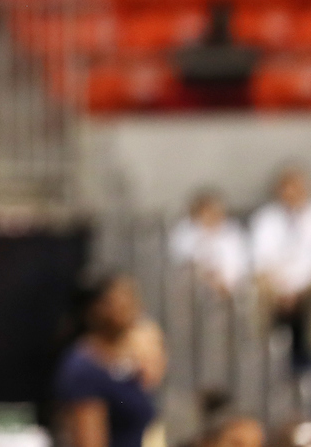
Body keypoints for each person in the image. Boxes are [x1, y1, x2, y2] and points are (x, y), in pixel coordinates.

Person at [54, 275, 160, 447]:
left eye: (132, 299)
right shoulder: (83, 370)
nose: (131, 308)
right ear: (96, 309)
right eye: (121, 301)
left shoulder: (124, 362)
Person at [250, 165, 311, 368]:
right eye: (287, 188)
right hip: (274, 284)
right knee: (256, 290)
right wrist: (283, 288)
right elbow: (261, 259)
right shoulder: (265, 219)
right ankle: (264, 357)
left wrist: (297, 288)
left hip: (305, 284)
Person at [169, 190, 250, 294]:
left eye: (217, 211)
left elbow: (241, 265)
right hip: (194, 288)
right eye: (208, 212)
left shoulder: (232, 232)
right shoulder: (184, 232)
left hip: (231, 287)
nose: (213, 216)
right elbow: (181, 261)